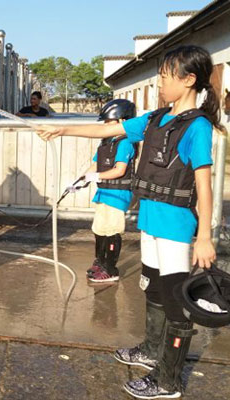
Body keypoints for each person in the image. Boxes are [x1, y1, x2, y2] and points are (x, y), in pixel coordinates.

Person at [34, 45, 221, 399]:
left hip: (175, 227)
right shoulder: (155, 119)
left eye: (165, 76)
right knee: (151, 289)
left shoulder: (196, 127)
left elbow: (203, 182)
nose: (159, 82)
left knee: (176, 301)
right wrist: (61, 131)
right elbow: (109, 131)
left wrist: (205, 237)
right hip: (150, 222)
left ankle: (168, 379)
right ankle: (151, 351)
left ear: (189, 79)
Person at [78, 99, 137, 283]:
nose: (105, 126)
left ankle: (111, 269)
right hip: (104, 192)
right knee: (99, 228)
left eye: (108, 122)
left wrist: (98, 177)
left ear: (122, 121)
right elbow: (95, 165)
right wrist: (81, 180)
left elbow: (119, 170)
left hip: (118, 194)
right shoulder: (105, 143)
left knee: (112, 229)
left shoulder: (125, 142)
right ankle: (100, 262)